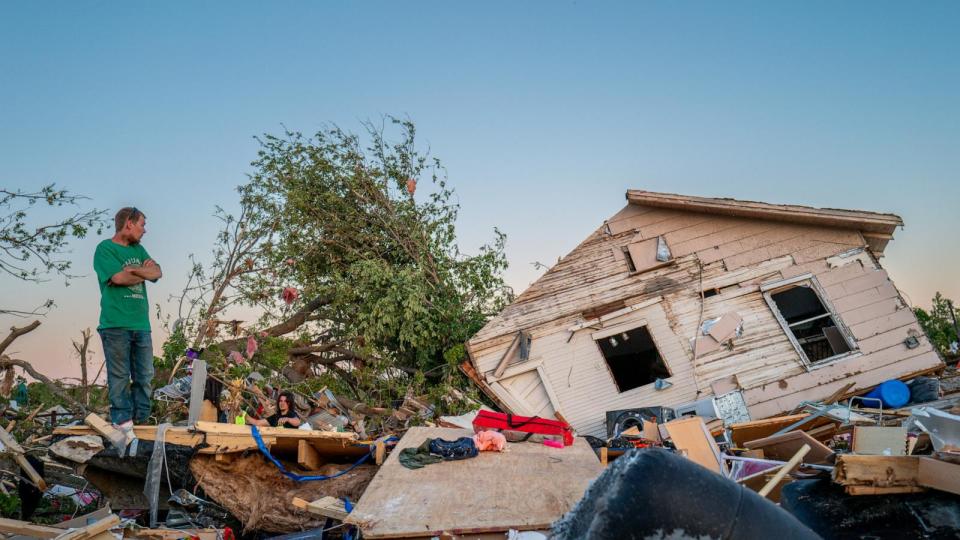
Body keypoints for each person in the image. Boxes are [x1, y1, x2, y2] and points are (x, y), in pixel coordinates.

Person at [94, 207, 162, 428]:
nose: (145, 230)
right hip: (115, 325)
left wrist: (135, 270)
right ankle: (122, 423)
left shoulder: (139, 249)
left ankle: (142, 422)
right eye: (142, 224)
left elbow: (157, 273)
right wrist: (141, 272)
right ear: (129, 223)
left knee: (144, 376)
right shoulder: (105, 248)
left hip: (141, 325)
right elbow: (118, 278)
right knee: (120, 378)